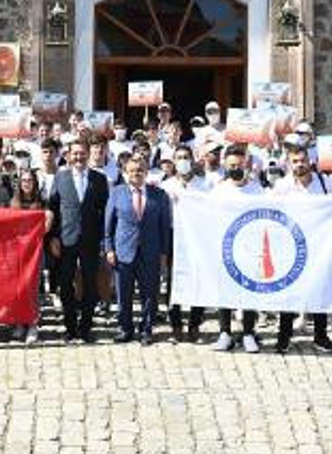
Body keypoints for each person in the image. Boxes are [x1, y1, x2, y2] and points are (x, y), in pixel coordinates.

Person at [273, 147, 332, 354]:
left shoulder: (324, 183)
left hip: (319, 244)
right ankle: (284, 336)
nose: (299, 164)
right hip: (291, 246)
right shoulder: (282, 186)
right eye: (295, 161)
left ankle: (320, 335)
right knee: (289, 291)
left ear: (309, 161)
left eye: (302, 160)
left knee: (320, 289)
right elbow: (270, 208)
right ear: (289, 164)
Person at [104, 156, 173, 346]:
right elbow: (109, 224)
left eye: (140, 170)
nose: (136, 173)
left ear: (146, 172)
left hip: (150, 252)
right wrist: (109, 248)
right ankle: (125, 328)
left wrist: (163, 253)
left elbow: (164, 226)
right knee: (123, 294)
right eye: (133, 170)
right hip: (123, 251)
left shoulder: (159, 195)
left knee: (149, 293)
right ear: (126, 172)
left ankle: (146, 329)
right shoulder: (117, 193)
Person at [46, 139, 110, 343]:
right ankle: (70, 328)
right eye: (75, 154)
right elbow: (52, 208)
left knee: (91, 285)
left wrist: (104, 241)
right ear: (68, 155)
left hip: (91, 240)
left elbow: (105, 213)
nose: (79, 157)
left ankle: (86, 328)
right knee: (66, 285)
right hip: (66, 239)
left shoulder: (99, 179)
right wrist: (53, 237)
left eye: (82, 153)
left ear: (89, 154)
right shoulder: (60, 177)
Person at [208, 145, 262, 353]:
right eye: (231, 165)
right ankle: (225, 332)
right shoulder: (219, 191)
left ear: (247, 164)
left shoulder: (257, 190)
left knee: (248, 291)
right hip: (225, 248)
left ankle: (248, 332)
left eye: (239, 165)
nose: (235, 168)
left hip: (250, 248)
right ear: (224, 165)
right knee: (225, 291)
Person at [159, 145, 211, 341]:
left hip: (197, 236)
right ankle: (176, 324)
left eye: (186, 157)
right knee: (173, 281)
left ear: (192, 159)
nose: (183, 160)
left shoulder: (204, 185)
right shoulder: (167, 186)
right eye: (179, 157)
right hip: (173, 236)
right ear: (173, 161)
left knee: (198, 279)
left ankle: (195, 324)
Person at [10, 168, 50, 345]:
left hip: (35, 251)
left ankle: (33, 324)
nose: (27, 183)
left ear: (35, 183)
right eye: (24, 180)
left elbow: (46, 226)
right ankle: (19, 322)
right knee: (18, 287)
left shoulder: (42, 203)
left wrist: (47, 218)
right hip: (17, 251)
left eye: (30, 180)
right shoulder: (13, 203)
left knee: (33, 287)